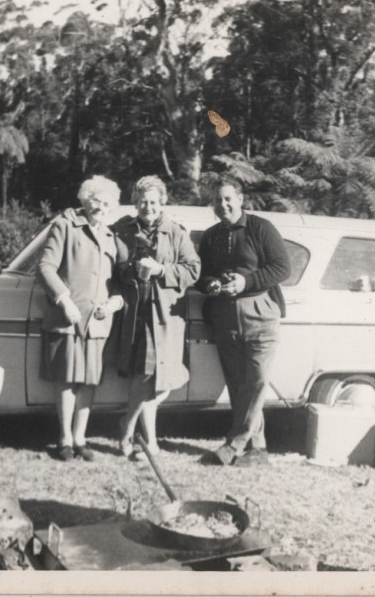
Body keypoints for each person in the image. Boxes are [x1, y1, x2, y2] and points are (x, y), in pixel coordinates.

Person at [196, 179, 290, 467]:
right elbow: (201, 275)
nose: (222, 205)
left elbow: (282, 267)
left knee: (257, 380)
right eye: (216, 201)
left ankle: (234, 444)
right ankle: (258, 449)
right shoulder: (210, 236)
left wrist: (245, 281)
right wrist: (211, 284)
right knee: (239, 384)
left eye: (227, 199)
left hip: (260, 311)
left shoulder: (261, 228)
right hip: (224, 315)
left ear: (240, 199)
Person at [112, 176, 201, 458]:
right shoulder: (122, 230)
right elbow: (110, 266)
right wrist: (129, 271)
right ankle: (149, 443)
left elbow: (193, 270)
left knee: (153, 375)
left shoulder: (175, 233)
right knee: (146, 375)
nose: (147, 207)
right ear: (134, 203)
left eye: (152, 201)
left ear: (162, 202)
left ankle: (127, 427)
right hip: (134, 314)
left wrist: (161, 270)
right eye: (141, 201)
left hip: (164, 316)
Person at [37, 176, 124, 462]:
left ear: (113, 207)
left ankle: (80, 438)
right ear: (85, 200)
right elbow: (45, 267)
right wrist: (63, 300)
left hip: (98, 322)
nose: (101, 206)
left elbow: (121, 282)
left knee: (89, 381)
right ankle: (63, 439)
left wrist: (115, 302)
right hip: (68, 318)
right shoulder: (65, 226)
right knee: (67, 379)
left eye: (107, 202)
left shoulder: (113, 238)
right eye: (96, 200)